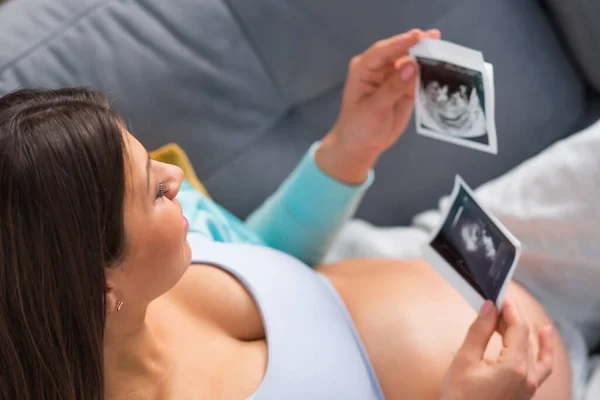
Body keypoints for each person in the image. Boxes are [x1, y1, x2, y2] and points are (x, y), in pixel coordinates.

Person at [0, 29, 570, 400]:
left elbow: (260, 252)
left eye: (148, 158)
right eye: (152, 190)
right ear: (101, 294)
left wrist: (348, 149)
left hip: (433, 257)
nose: (175, 175)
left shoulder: (171, 242)